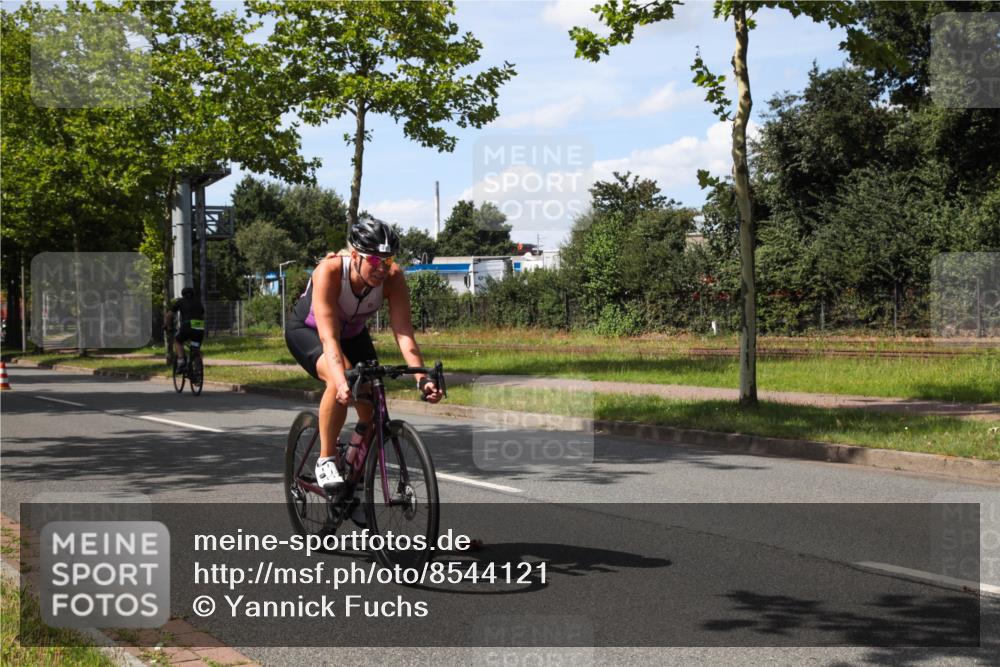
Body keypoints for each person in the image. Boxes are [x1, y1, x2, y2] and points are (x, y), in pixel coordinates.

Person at [285, 216, 443, 497]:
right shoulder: (330, 271)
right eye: (374, 261)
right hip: (308, 331)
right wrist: (341, 380)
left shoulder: (393, 278)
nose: (382, 268)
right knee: (339, 380)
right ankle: (326, 459)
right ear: (355, 255)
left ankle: (353, 479)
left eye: (388, 260)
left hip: (353, 334)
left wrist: (421, 377)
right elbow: (329, 338)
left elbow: (404, 334)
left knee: (372, 408)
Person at [166, 286, 206, 370]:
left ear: (182, 294)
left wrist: (168, 326)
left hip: (187, 326)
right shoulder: (198, 302)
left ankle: (181, 360)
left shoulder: (180, 302)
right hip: (199, 327)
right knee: (196, 347)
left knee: (178, 341)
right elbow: (202, 315)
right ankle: (198, 368)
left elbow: (169, 315)